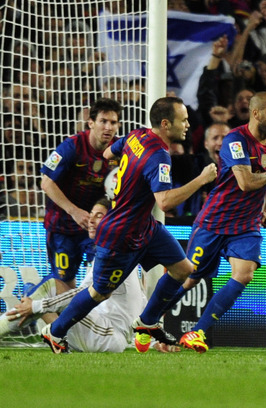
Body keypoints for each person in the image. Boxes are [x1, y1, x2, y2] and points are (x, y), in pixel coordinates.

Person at [40, 96, 218, 354]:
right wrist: (201, 180)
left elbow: (108, 152)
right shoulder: (159, 156)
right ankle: (54, 332)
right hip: (121, 235)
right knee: (99, 293)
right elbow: (165, 202)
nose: (188, 125)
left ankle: (146, 323)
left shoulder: (137, 136)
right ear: (166, 124)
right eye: (184, 120)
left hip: (145, 227)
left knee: (183, 269)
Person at [170, 91, 266, 353]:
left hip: (246, 225)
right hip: (215, 221)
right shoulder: (235, 139)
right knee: (189, 279)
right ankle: (148, 321)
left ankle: (196, 332)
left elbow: (263, 179)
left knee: (244, 274)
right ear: (256, 113)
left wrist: (265, 208)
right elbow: (246, 182)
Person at [0, 198, 177, 352]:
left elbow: (81, 294)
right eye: (91, 214)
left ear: (111, 222)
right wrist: (155, 340)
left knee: (50, 288)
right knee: (36, 292)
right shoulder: (114, 254)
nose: (91, 220)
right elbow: (140, 301)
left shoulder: (113, 255)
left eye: (99, 216)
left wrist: (38, 305)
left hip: (106, 335)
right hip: (102, 331)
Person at [40, 97, 122, 289]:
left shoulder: (120, 150)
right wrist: (74, 211)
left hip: (96, 227)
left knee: (102, 278)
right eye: (103, 121)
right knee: (64, 281)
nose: (108, 128)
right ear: (91, 122)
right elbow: (46, 182)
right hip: (63, 225)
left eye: (113, 122)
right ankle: (43, 304)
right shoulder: (71, 146)